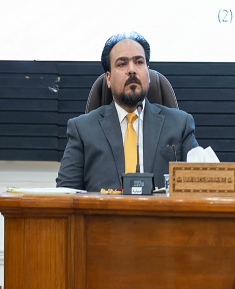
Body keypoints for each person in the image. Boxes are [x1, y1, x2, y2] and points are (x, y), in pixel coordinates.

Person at [56, 32, 198, 191]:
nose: (131, 70)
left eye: (139, 62)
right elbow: (65, 193)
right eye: (122, 64)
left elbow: (202, 187)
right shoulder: (82, 130)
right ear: (108, 78)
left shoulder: (180, 125)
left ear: (148, 74)